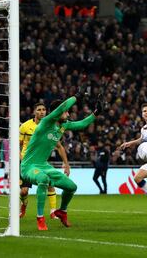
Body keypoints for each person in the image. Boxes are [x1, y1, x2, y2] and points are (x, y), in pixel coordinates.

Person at [21, 96, 98, 230]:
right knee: (43, 179)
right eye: (66, 112)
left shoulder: (63, 125)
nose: (68, 114)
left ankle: (62, 211)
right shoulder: (46, 122)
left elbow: (82, 124)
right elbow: (62, 107)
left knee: (71, 187)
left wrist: (96, 113)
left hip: (44, 166)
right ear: (58, 112)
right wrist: (76, 97)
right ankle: (40, 218)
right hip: (29, 166)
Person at [19, 102, 70, 219]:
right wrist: (22, 158)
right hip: (27, 162)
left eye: (44, 109)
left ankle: (53, 211)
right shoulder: (25, 126)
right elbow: (18, 144)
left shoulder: (50, 126)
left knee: (49, 183)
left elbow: (59, 146)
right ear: (34, 112)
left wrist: (66, 163)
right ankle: (24, 204)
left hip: (41, 161)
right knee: (24, 191)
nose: (42, 112)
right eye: (39, 110)